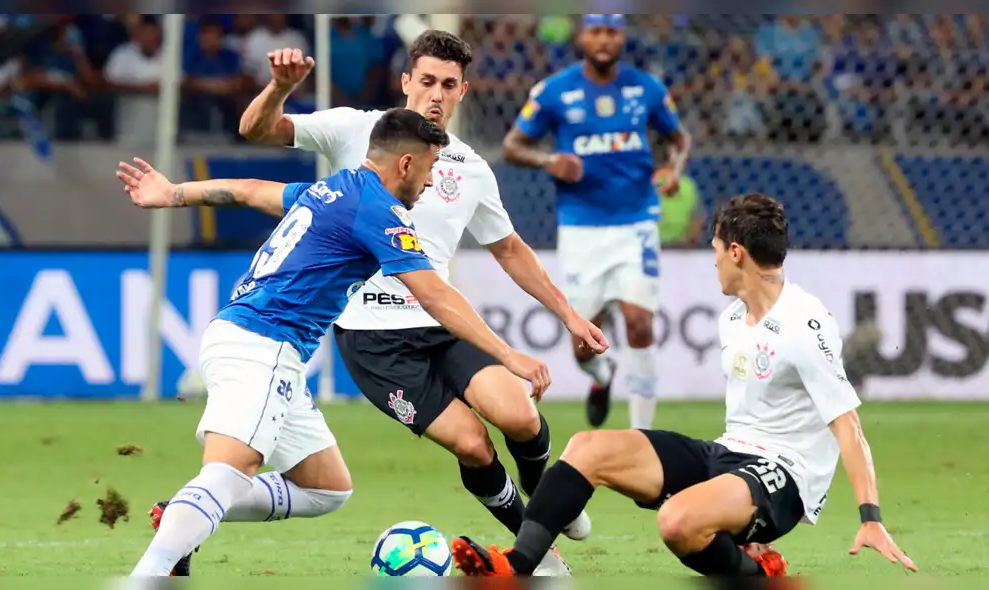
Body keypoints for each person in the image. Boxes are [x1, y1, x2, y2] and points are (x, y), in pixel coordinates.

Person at [120, 108, 552, 577]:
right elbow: (435, 296)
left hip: (251, 341)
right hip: (264, 344)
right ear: (405, 165)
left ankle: (187, 514)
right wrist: (507, 355)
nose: (429, 184)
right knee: (228, 471)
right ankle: (150, 572)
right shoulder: (378, 210)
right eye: (428, 171)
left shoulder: (335, 187)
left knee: (326, 488)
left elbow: (248, 190)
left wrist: (174, 193)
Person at [234, 30, 603, 572]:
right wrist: (277, 89)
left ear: (463, 92)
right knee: (474, 445)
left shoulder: (470, 167)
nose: (436, 93)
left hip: (441, 322)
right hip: (373, 340)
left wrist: (569, 314)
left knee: (519, 416)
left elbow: (509, 249)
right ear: (405, 82)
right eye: (426, 81)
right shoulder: (357, 130)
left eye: (448, 85)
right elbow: (257, 130)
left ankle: (545, 491)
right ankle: (536, 547)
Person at [449, 193, 919, 578]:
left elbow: (848, 426)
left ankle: (758, 577)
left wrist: (871, 518)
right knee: (588, 447)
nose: (713, 262)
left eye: (716, 250)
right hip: (729, 455)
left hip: (783, 476)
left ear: (736, 252)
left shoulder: (803, 323)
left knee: (677, 522)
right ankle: (517, 568)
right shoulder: (733, 317)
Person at [502, 14, 692, 430]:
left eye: (613, 31)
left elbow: (679, 140)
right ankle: (602, 378)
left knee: (640, 323)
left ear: (622, 37)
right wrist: (549, 160)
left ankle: (644, 437)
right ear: (582, 35)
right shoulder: (554, 91)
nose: (604, 40)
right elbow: (513, 146)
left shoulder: (647, 89)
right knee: (585, 343)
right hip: (581, 229)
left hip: (636, 222)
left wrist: (674, 171)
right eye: (596, 31)